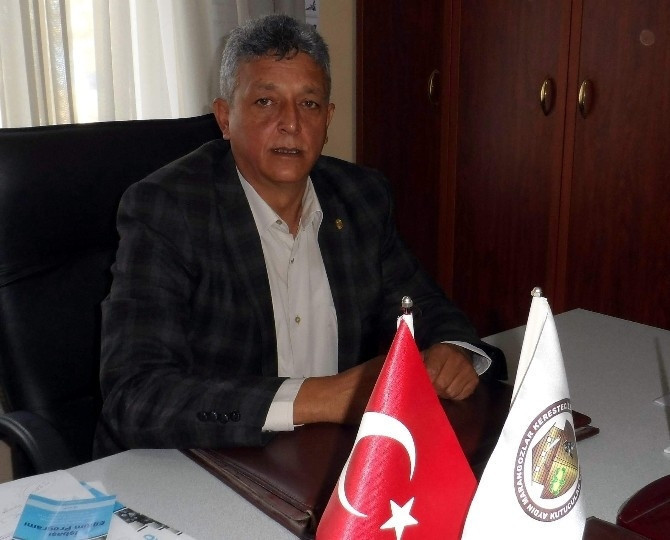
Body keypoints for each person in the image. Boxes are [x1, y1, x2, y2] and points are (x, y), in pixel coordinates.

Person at [94, 14, 501, 457]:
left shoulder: (361, 197)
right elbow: (134, 396)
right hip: (203, 459)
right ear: (225, 118)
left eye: (308, 104)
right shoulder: (168, 209)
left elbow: (421, 305)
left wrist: (452, 348)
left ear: (327, 119)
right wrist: (327, 397)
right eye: (265, 101)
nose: (290, 123)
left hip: (324, 457)